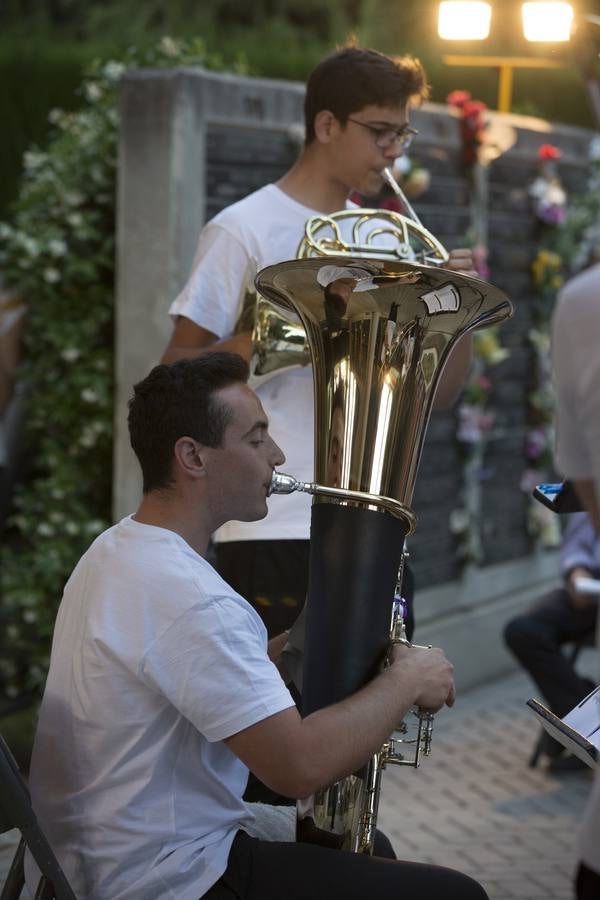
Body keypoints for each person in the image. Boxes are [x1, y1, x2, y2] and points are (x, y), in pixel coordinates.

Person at [27, 354, 488, 900]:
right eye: (256, 438)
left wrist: (284, 648)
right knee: (459, 895)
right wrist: (407, 679)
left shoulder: (116, 549)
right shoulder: (192, 597)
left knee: (369, 848)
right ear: (192, 456)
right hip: (161, 876)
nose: (278, 456)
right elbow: (298, 767)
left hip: (91, 859)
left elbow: (181, 672)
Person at [162, 45, 476, 639]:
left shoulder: (391, 244)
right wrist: (291, 331)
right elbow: (172, 366)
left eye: (401, 136)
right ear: (326, 125)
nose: (392, 151)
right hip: (274, 517)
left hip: (377, 513)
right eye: (380, 131)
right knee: (289, 712)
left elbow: (443, 394)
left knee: (378, 713)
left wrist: (457, 305)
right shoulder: (243, 229)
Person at [551, 262, 600, 899]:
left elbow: (582, 475)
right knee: (525, 630)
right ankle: (574, 718)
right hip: (583, 580)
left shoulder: (584, 301)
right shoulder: (584, 301)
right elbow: (578, 485)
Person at [503, 511, 598, 768]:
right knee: (523, 631)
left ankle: (572, 728)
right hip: (591, 586)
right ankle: (583, 718)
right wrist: (577, 573)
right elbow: (579, 541)